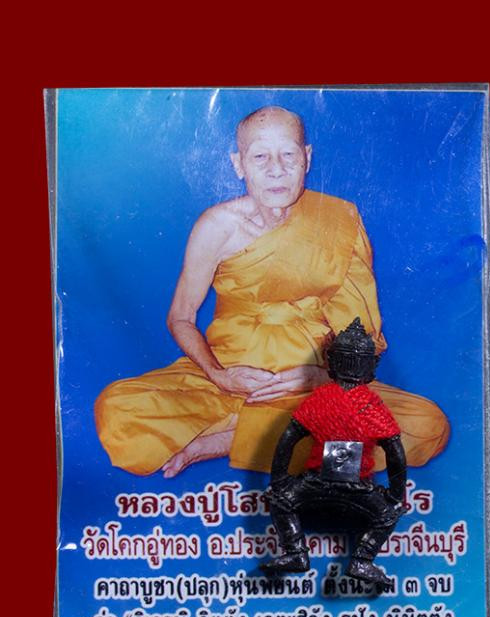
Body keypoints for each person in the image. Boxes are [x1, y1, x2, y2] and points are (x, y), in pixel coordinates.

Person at [95, 106, 449, 479]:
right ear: (239, 164)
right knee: (118, 411)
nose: (276, 169)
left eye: (288, 155)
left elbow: (361, 332)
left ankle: (224, 440)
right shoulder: (217, 226)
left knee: (429, 426)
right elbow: (180, 317)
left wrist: (322, 377)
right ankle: (289, 437)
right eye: (260, 157)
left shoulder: (339, 221)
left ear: (307, 158)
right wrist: (219, 376)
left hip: (313, 379)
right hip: (230, 376)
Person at [262, 318, 407, 586]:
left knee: (281, 500)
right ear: (371, 366)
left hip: (316, 483)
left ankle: (296, 551)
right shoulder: (371, 405)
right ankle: (363, 560)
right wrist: (397, 495)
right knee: (389, 513)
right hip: (359, 488)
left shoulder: (321, 399)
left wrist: (279, 480)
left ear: (331, 362)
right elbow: (395, 453)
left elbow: (287, 440)